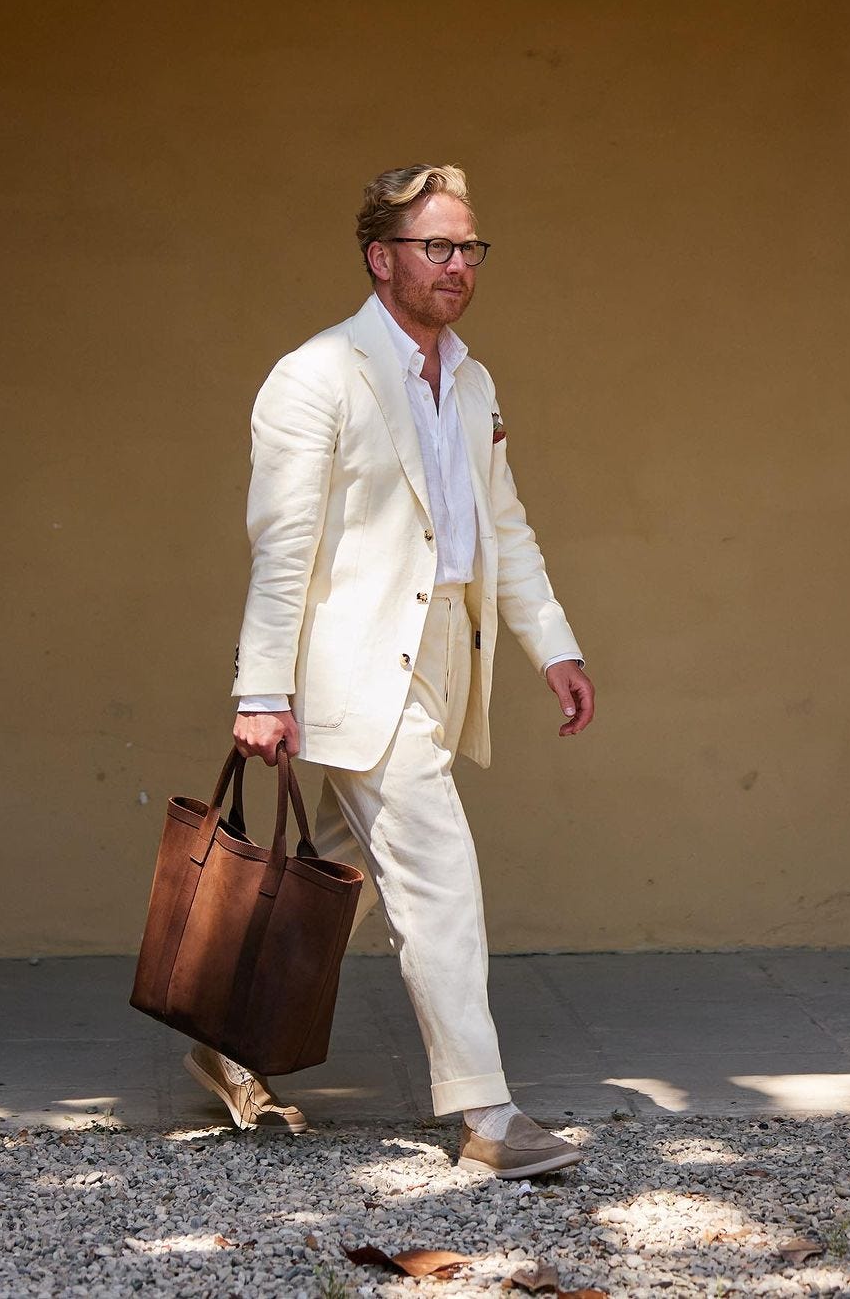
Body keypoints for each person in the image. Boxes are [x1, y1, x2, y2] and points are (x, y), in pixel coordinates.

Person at [185, 164, 595, 1178]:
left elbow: (500, 525)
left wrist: (555, 642)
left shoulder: (474, 379)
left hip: (445, 662)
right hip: (356, 665)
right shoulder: (317, 376)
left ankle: (227, 1041)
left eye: (469, 249)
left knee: (340, 878)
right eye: (436, 248)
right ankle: (488, 1118)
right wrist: (263, 692)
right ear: (382, 259)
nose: (458, 267)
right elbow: (284, 546)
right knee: (438, 875)